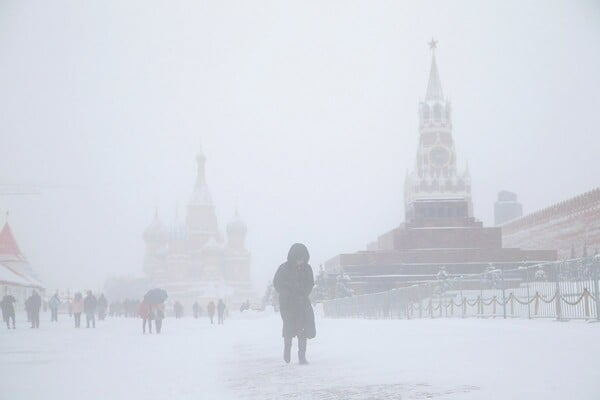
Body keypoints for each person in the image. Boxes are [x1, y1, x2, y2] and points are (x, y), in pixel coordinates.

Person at [273, 243, 316, 365]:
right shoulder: (283, 268)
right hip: (288, 304)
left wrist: (303, 293)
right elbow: (277, 283)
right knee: (289, 327)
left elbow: (310, 283)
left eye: (302, 259)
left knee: (303, 330)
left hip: (302, 303)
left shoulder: (307, 269)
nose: (300, 261)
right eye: (298, 258)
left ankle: (302, 356)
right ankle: (287, 349)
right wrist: (287, 292)